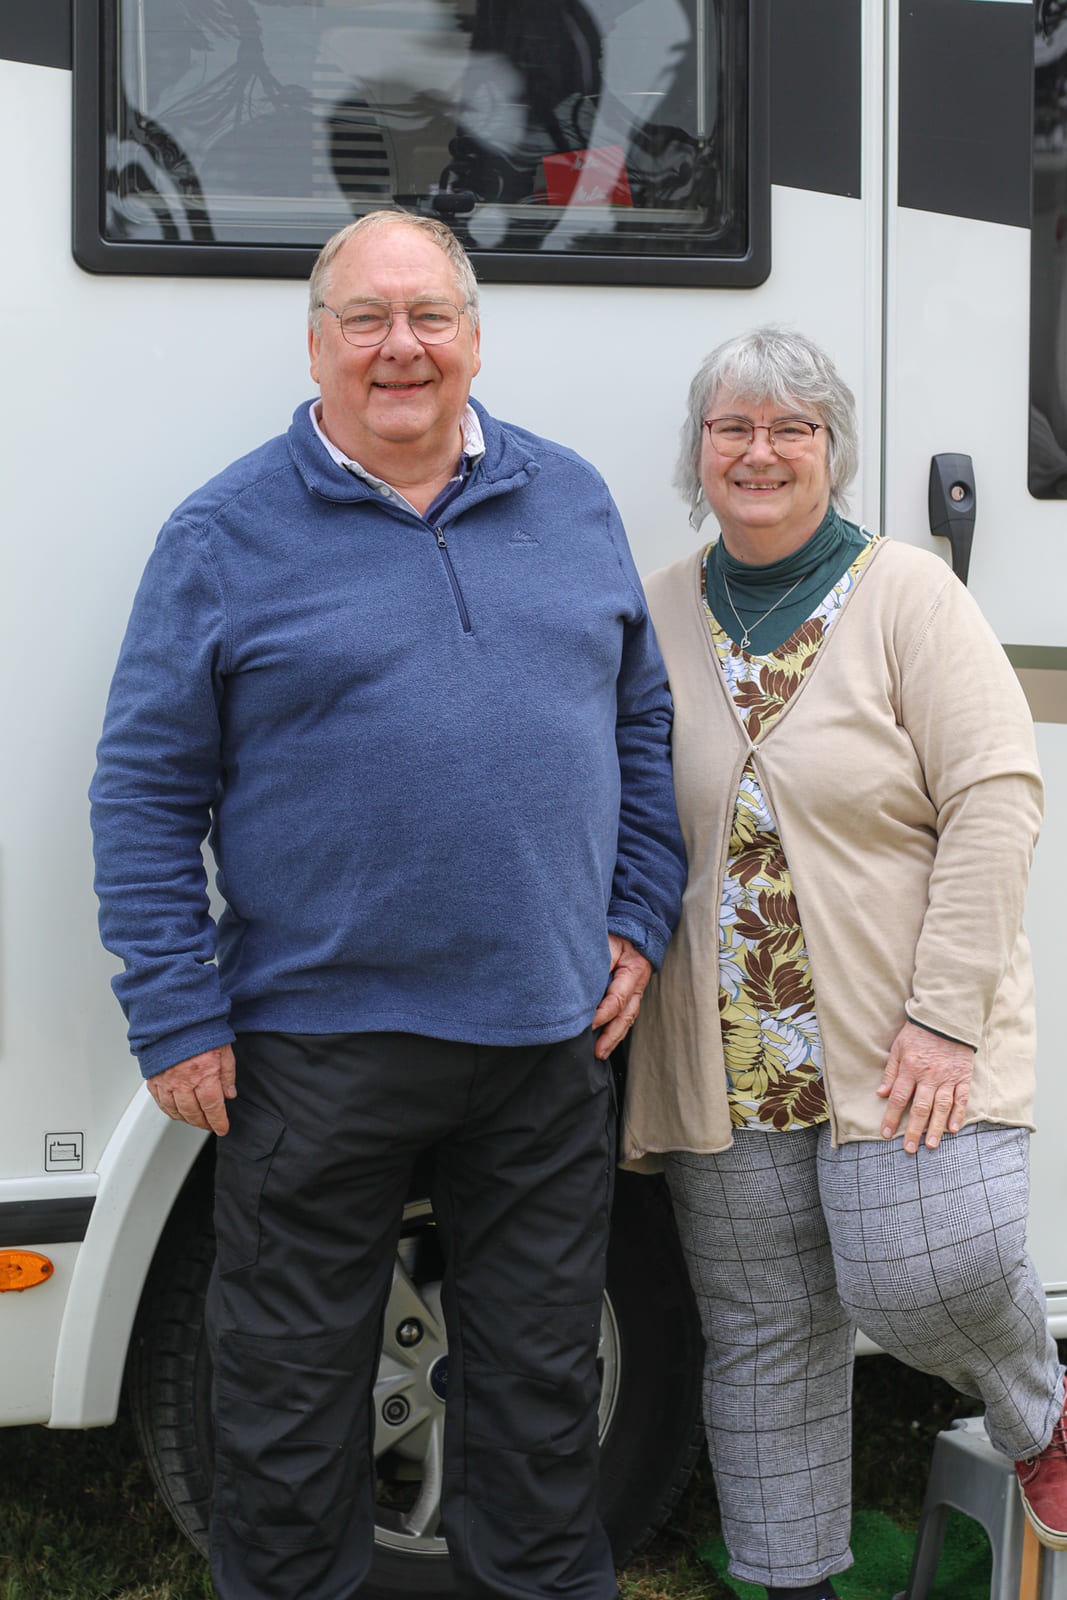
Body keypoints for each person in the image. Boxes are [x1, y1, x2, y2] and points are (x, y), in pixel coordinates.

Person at [89, 210, 686, 1600]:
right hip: (317, 1050)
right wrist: (175, 1010)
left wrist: (637, 909)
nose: (399, 347)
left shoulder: (570, 498)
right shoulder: (222, 534)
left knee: (539, 1411)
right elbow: (145, 788)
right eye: (366, 319)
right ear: (317, 345)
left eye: (428, 316)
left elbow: (639, 720)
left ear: (474, 336)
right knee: (286, 1420)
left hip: (543, 1042)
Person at [622, 326, 1067, 1600]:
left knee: (919, 1270)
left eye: (791, 428)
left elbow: (995, 795)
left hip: (902, 1034)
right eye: (732, 427)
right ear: (698, 452)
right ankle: (791, 1580)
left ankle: (1040, 1414)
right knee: (762, 1336)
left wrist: (945, 1016)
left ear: (833, 450)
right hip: (727, 1053)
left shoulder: (908, 594)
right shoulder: (654, 608)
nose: (758, 452)